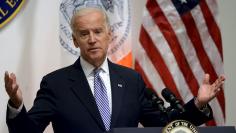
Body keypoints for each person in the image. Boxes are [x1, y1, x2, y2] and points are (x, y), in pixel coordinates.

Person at [4, 7, 225, 133]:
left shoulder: (131, 80)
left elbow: (164, 127)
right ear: (74, 40)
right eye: (84, 34)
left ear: (110, 35)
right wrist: (16, 103)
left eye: (98, 31)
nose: (92, 39)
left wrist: (198, 104)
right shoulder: (56, 84)